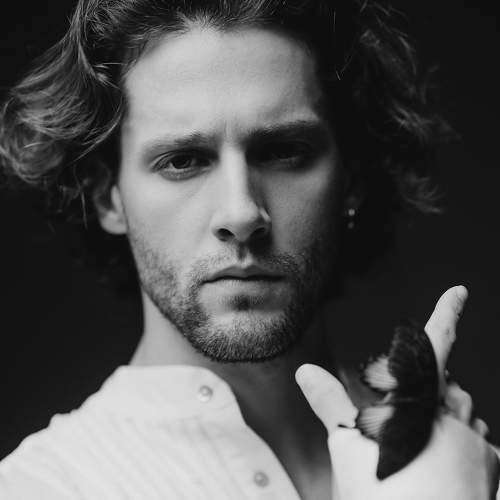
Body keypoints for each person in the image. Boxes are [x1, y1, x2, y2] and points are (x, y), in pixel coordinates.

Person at [0, 0, 498, 498]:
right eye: (183, 160)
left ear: (351, 179)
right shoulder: (39, 487)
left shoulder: (463, 467)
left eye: (283, 151)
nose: (241, 213)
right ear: (107, 196)